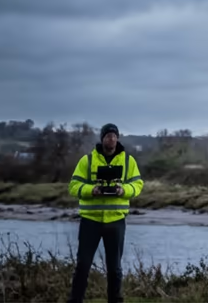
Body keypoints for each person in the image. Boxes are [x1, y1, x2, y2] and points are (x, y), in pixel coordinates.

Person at [67, 123, 143, 303]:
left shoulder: (128, 161)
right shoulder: (87, 160)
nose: (112, 138)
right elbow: (73, 186)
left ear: (118, 138)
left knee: (114, 267)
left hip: (116, 221)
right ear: (102, 138)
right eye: (108, 135)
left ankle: (115, 300)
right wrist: (91, 190)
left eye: (114, 135)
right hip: (90, 221)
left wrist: (124, 190)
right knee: (83, 265)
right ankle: (75, 300)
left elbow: (138, 184)